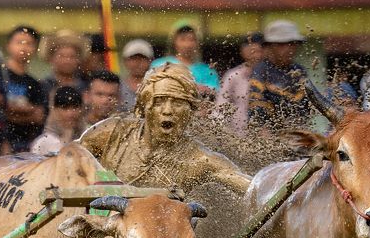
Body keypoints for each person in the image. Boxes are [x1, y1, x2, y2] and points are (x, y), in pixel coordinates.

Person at [79, 63, 249, 194]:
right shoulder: (111, 134)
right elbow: (68, 158)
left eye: (177, 102)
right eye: (159, 101)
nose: (167, 111)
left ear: (191, 111)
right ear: (143, 107)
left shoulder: (199, 160)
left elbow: (253, 188)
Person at [248, 20, 310, 129]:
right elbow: (256, 112)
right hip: (268, 133)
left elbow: (305, 108)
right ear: (270, 46)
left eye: (292, 44)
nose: (289, 49)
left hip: (295, 131)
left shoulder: (299, 71)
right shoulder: (261, 71)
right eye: (282, 44)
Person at [0, 26, 47, 152]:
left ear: (35, 48)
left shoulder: (35, 84)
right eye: (19, 42)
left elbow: (38, 117)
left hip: (25, 144)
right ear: (8, 45)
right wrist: (26, 110)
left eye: (29, 43)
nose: (24, 48)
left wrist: (10, 111)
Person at [150, 20, 219, 93]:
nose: (187, 44)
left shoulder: (207, 71)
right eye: (182, 39)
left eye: (191, 39)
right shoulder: (160, 65)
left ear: (198, 43)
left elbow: (216, 93)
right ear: (174, 42)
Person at [214, 32, 263, 134]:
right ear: (243, 51)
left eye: (258, 51)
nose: (256, 55)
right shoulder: (233, 76)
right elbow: (220, 106)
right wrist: (219, 131)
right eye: (252, 51)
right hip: (239, 137)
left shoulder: (270, 77)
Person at [30, 86, 85, 155]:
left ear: (81, 109)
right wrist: (67, 135)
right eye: (65, 108)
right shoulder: (43, 142)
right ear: (55, 110)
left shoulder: (88, 137)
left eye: (75, 107)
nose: (70, 113)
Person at [39, 30, 87, 102]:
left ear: (78, 60)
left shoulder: (86, 87)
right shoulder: (42, 86)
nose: (67, 61)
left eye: (72, 56)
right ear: (52, 59)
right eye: (61, 56)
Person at [119, 38, 154, 112]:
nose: (138, 63)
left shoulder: (155, 86)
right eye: (134, 58)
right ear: (125, 61)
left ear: (151, 61)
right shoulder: (117, 86)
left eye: (143, 58)